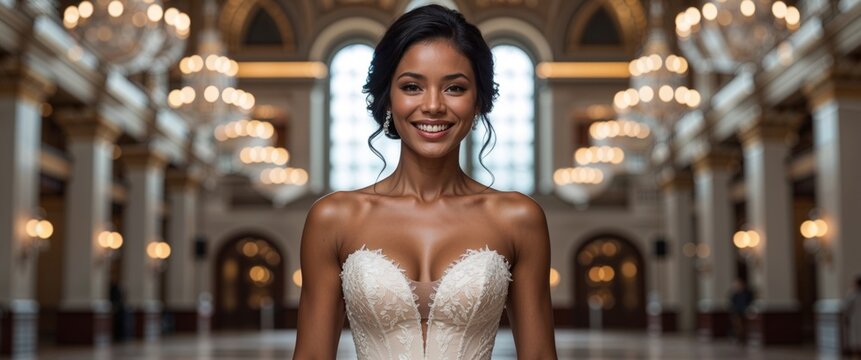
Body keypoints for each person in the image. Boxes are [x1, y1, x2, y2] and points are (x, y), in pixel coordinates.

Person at [293, 4, 557, 359]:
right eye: (413, 86)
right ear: (388, 97)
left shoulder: (518, 219)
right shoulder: (334, 218)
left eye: (455, 88)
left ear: (479, 101)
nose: (433, 106)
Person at [729, 277, 754, 344]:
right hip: (737, 312)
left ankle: (744, 337)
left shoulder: (747, 293)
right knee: (737, 326)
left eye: (740, 284)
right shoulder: (735, 294)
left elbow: (750, 301)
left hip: (745, 312)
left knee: (744, 326)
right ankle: (739, 337)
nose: (738, 286)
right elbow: (732, 302)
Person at [846, 276, 861, 357]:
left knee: (857, 338)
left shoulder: (852, 295)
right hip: (855, 319)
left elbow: (847, 306)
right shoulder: (853, 294)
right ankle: (856, 354)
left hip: (856, 318)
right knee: (856, 338)